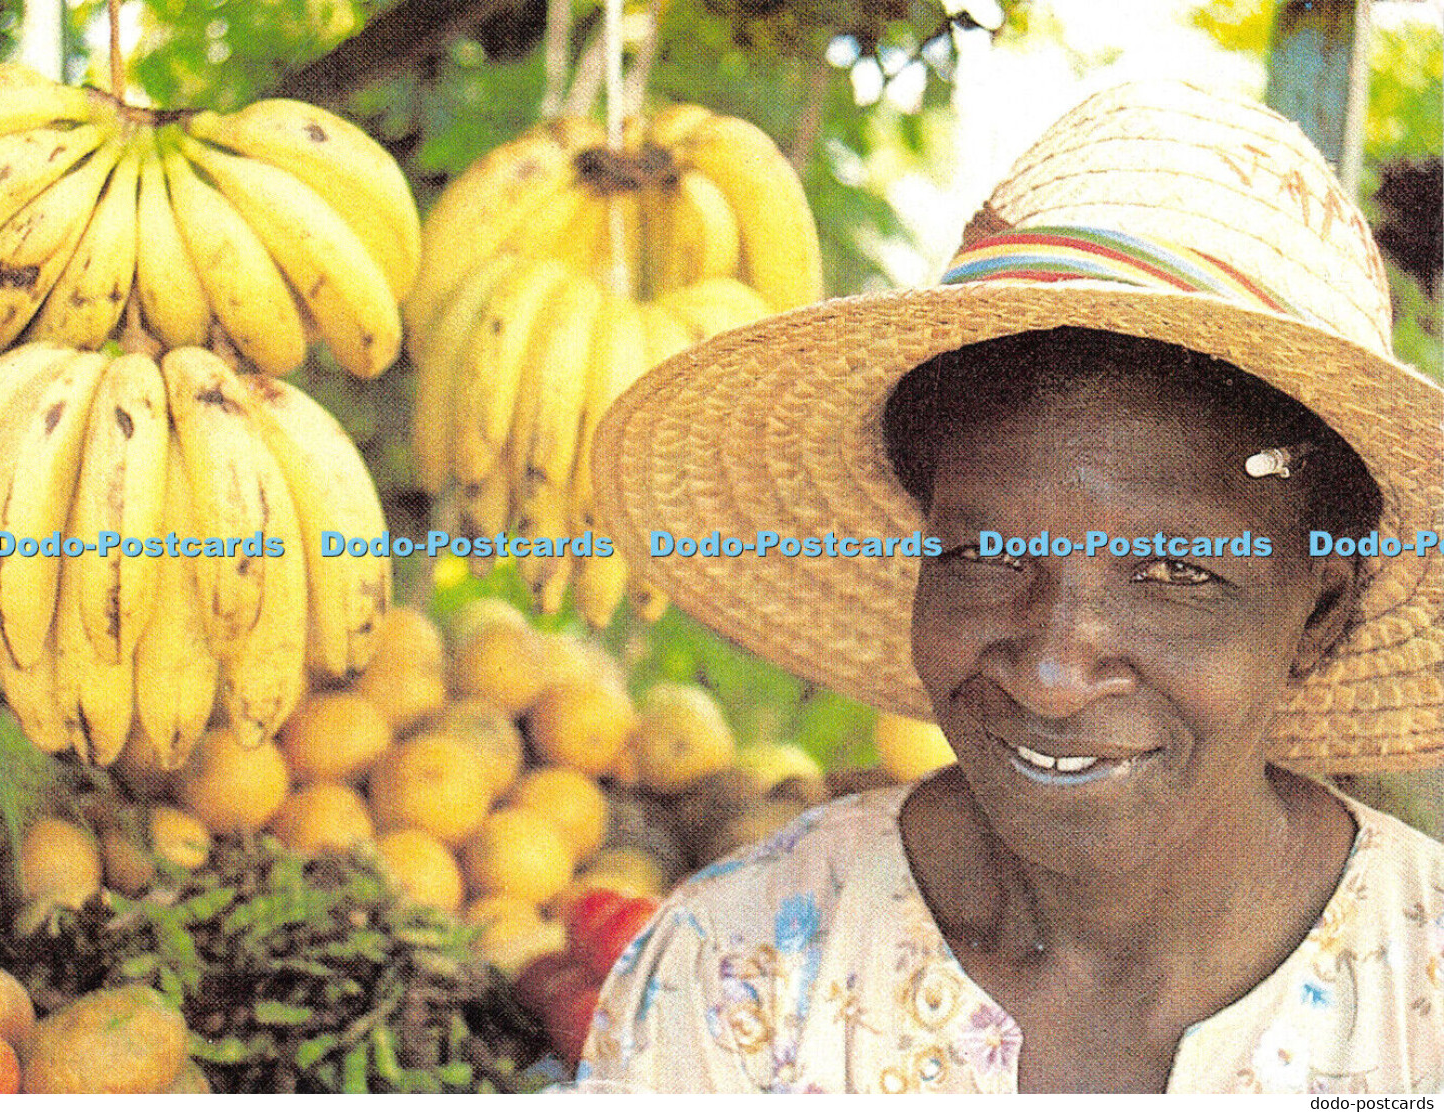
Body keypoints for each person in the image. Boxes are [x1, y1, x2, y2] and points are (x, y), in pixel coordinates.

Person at [578, 81, 1444, 1093]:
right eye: (985, 554)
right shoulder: (746, 971)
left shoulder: (1415, 1002)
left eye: (1174, 572)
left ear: (1317, 613)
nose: (1050, 670)